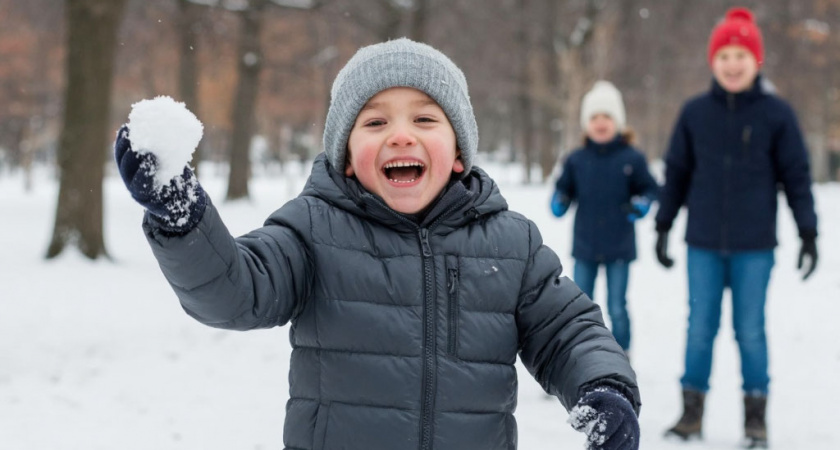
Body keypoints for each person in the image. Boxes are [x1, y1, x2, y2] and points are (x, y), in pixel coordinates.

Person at [114, 38, 641, 450]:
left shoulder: (510, 244)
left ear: (459, 153)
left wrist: (605, 385)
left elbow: (567, 331)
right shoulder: (313, 230)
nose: (401, 135)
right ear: (346, 155)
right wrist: (184, 221)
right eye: (375, 122)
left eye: (425, 119)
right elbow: (238, 290)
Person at [654, 8, 819, 448]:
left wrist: (808, 232)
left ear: (756, 60)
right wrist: (663, 225)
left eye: (740, 54)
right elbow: (677, 174)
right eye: (723, 54)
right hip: (704, 243)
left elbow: (796, 176)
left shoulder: (776, 115)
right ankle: (690, 416)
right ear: (712, 60)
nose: (731, 63)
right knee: (699, 328)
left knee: (750, 330)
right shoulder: (694, 114)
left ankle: (755, 419)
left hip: (754, 246)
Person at [551, 80, 659, 356]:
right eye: (595, 117)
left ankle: (622, 354)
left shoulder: (631, 158)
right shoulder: (576, 159)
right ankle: (578, 355)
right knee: (579, 304)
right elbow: (563, 188)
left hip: (618, 245)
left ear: (618, 122)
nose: (601, 123)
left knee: (617, 306)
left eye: (607, 117)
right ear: (586, 123)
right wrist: (560, 201)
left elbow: (650, 188)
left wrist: (643, 203)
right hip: (585, 245)